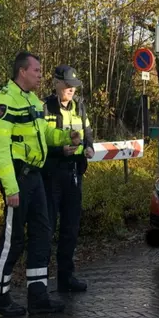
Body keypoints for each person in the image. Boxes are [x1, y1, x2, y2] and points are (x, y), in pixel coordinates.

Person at [0, 52, 81, 317]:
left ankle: (38, 295)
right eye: (37, 70)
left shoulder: (33, 101)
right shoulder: (4, 101)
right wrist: (10, 187)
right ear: (22, 72)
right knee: (13, 239)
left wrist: (66, 135)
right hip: (17, 176)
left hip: (35, 176)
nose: (41, 75)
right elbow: (1, 148)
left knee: (42, 233)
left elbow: (45, 134)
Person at [42, 65, 94, 292]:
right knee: (47, 229)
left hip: (74, 175)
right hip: (52, 175)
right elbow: (40, 142)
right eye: (68, 85)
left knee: (70, 229)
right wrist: (58, 152)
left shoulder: (80, 107)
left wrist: (89, 148)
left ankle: (66, 277)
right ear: (57, 84)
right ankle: (40, 281)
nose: (72, 89)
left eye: (75, 86)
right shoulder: (44, 107)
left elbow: (88, 132)